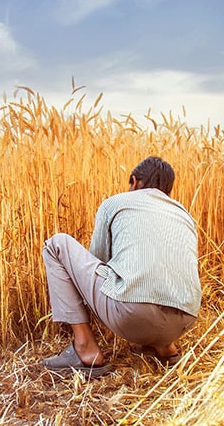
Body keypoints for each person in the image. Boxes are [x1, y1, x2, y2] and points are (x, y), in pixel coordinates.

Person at [40, 156, 201, 376]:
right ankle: (165, 346)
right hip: (186, 318)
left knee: (56, 244)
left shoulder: (115, 203)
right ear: (167, 191)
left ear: (134, 181)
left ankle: (85, 347)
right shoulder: (185, 215)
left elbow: (98, 261)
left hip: (133, 315)